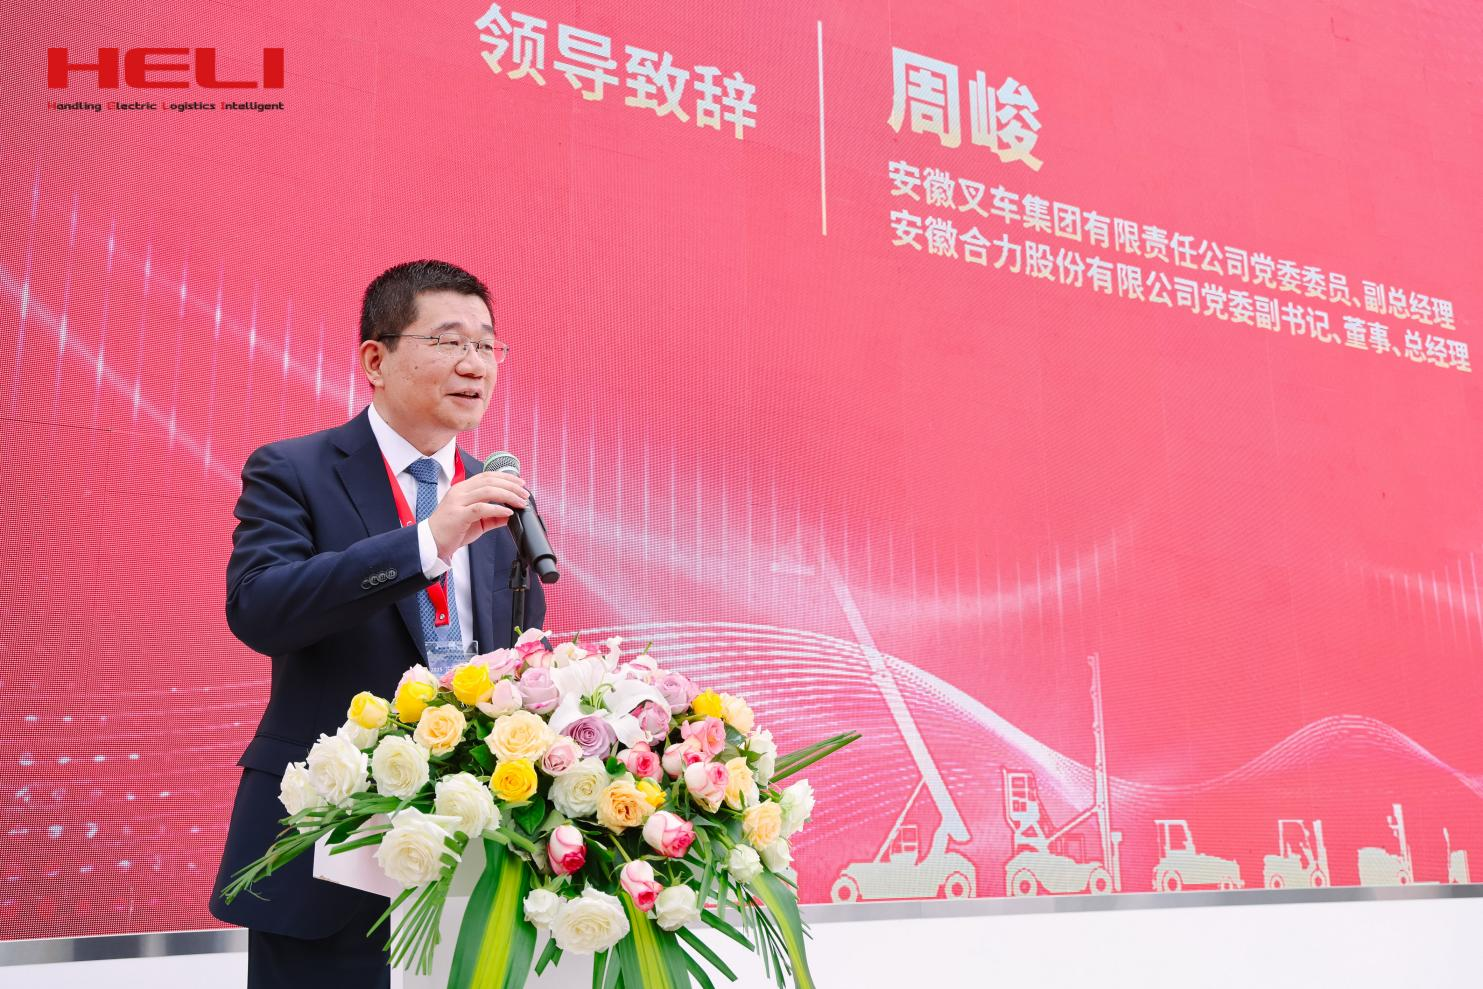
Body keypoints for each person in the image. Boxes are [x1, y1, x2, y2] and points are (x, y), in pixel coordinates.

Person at [208, 260, 544, 987]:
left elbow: (518, 662)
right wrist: (425, 543)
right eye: (448, 341)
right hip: (327, 842)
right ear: (375, 359)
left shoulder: (502, 495)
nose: (474, 364)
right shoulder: (293, 470)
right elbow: (260, 608)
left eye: (487, 345)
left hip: (473, 861)